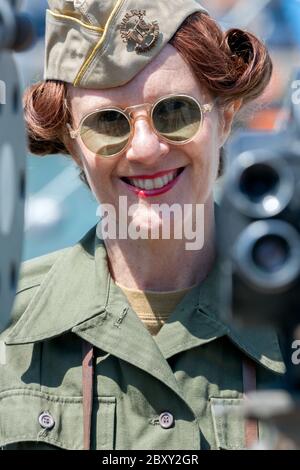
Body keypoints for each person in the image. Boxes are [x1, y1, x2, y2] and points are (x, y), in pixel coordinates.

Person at [0, 0, 284, 450]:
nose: (146, 149)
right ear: (72, 145)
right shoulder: (7, 334)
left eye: (176, 112)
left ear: (225, 118)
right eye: (107, 124)